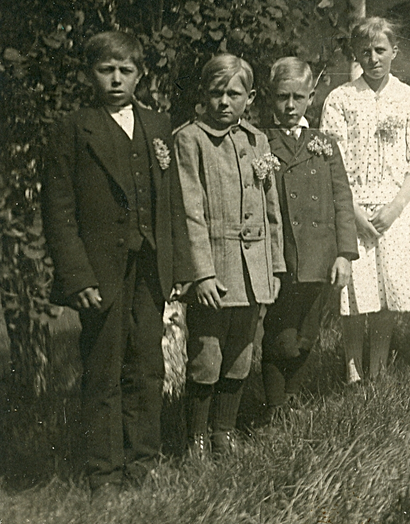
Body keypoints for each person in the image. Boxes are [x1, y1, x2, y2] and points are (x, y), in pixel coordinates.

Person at [42, 32, 179, 492]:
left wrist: (176, 267)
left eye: (126, 70)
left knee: (147, 364)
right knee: (103, 368)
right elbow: (58, 210)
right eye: (106, 70)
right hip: (100, 271)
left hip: (150, 267)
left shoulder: (158, 125)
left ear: (140, 75)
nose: (116, 79)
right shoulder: (73, 128)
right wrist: (76, 275)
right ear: (90, 74)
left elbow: (172, 202)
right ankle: (103, 473)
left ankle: (144, 464)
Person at [321, 18, 410, 384]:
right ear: (355, 54)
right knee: (355, 293)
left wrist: (395, 208)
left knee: (386, 292)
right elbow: (332, 159)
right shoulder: (341, 98)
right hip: (353, 205)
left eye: (380, 50)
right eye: (365, 52)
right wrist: (353, 212)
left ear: (395, 51)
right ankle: (352, 368)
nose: (374, 58)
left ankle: (378, 367)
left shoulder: (407, 97)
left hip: (396, 207)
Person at [174, 54, 286, 456]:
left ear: (250, 98)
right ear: (204, 95)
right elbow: (189, 211)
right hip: (215, 270)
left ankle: (224, 432)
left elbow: (271, 209)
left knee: (241, 353)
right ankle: (196, 439)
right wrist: (201, 274)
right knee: (207, 355)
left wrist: (275, 266)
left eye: (234, 94)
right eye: (216, 93)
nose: (224, 101)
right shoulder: (191, 139)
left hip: (254, 270)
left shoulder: (258, 141)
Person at [262, 57, 356, 419]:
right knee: (281, 335)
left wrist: (344, 254)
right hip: (281, 254)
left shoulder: (323, 142)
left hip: (319, 255)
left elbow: (342, 199)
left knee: (306, 333)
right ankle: (275, 406)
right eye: (282, 97)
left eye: (298, 98)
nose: (290, 106)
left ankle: (292, 400)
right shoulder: (261, 141)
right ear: (270, 97)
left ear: (311, 98)